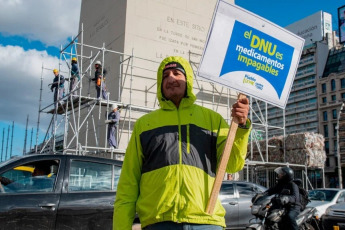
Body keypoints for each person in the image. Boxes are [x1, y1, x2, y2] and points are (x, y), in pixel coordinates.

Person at [113, 56, 251, 229]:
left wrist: (241, 127)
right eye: (165, 76)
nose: (171, 78)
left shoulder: (212, 120)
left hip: (207, 222)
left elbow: (232, 165)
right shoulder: (144, 124)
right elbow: (128, 183)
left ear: (189, 80)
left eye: (177, 73)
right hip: (159, 223)